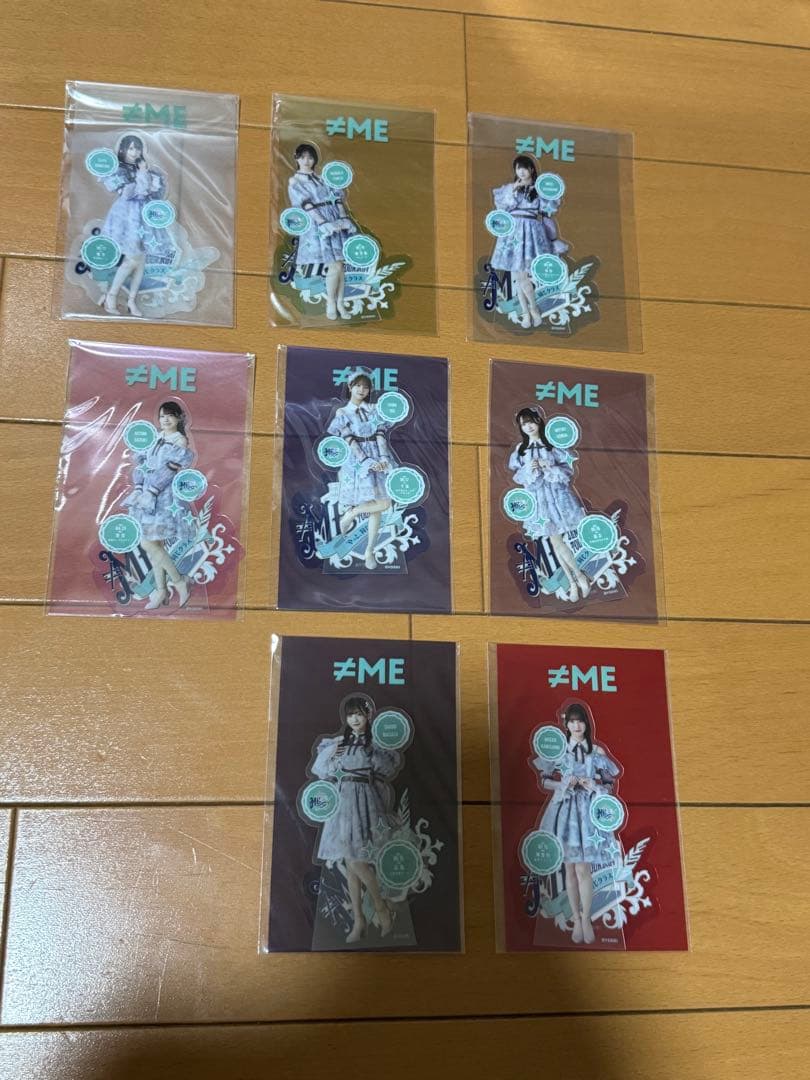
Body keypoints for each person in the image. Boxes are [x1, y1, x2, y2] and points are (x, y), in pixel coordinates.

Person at [310, 695, 400, 944]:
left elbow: (386, 769)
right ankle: (359, 921)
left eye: (359, 714)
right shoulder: (339, 744)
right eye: (351, 715)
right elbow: (322, 769)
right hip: (343, 801)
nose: (355, 719)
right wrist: (333, 754)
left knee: (356, 860)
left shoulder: (374, 745)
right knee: (350, 864)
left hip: (365, 800)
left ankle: (380, 909)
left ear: (368, 715)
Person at [533, 702, 622, 945]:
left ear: (586, 723)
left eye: (580, 720)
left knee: (583, 868)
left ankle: (586, 918)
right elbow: (545, 780)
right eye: (572, 721)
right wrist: (566, 783)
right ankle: (576, 917)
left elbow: (609, 784)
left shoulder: (597, 752)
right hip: (565, 812)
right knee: (570, 868)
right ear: (566, 724)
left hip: (587, 813)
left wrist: (594, 785)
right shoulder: (559, 751)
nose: (576, 726)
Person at [508, 407, 590, 602]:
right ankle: (577, 580)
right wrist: (530, 469)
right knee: (555, 542)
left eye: (531, 421)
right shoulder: (520, 450)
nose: (528, 426)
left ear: (538, 421)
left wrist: (549, 466)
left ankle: (576, 580)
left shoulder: (552, 445)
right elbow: (519, 477)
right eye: (524, 424)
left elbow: (566, 473)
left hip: (559, 499)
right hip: (540, 502)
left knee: (557, 543)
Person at [121, 401, 194, 610]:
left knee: (149, 544)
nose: (165, 420)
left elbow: (169, 470)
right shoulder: (155, 437)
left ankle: (179, 581)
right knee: (155, 546)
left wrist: (152, 490)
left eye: (170, 415)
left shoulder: (179, 440)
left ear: (179, 418)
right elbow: (142, 465)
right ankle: (161, 590)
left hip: (163, 497)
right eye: (162, 416)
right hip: (146, 494)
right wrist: (138, 487)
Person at [490, 154, 569, 328]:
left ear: (531, 169)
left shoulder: (539, 189)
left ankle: (530, 311)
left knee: (522, 276)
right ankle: (530, 311)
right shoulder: (511, 189)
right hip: (514, 233)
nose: (521, 172)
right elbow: (502, 206)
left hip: (532, 231)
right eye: (518, 168)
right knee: (519, 275)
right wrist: (514, 188)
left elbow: (548, 210)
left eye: (524, 168)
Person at [327, 371, 394, 570]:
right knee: (376, 504)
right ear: (350, 387)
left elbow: (380, 433)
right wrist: (366, 461)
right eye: (358, 386)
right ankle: (368, 551)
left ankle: (355, 521)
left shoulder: (374, 409)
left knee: (383, 503)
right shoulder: (342, 412)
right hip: (356, 461)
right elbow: (348, 439)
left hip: (378, 456)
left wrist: (383, 458)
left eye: (365, 387)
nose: (362, 390)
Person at [97, 134, 169, 318]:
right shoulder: (119, 171)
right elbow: (132, 193)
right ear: (123, 149)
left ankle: (130, 300)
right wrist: (142, 174)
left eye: (137, 148)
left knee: (141, 260)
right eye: (131, 148)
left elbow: (155, 193)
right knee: (131, 259)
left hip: (142, 216)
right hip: (126, 217)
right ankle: (111, 296)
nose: (135, 152)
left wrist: (146, 174)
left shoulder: (144, 168)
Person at [287, 142, 360, 320]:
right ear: (296, 158)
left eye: (310, 157)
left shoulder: (322, 178)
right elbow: (305, 204)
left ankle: (340, 303)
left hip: (335, 220)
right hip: (318, 224)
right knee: (334, 266)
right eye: (303, 157)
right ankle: (331, 304)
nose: (307, 161)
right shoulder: (295, 181)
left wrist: (343, 218)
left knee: (340, 266)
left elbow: (337, 199)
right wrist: (322, 222)